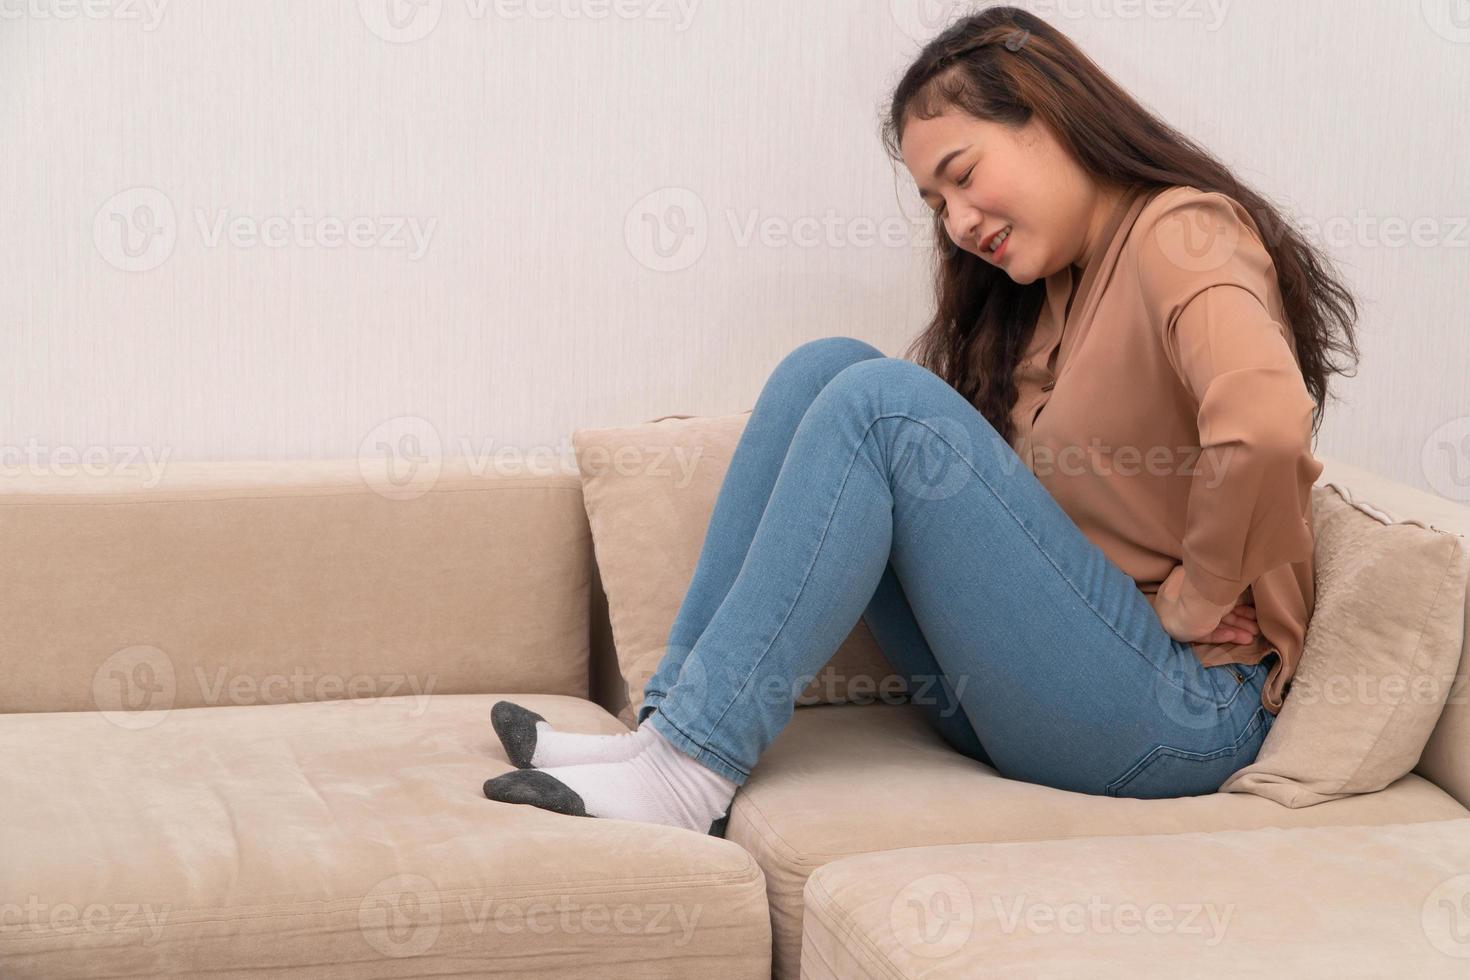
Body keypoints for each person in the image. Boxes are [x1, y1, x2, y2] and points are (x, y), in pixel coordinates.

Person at [483, 6, 1359, 834]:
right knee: (825, 369)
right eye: (939, 205)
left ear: (1050, 117)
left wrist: (1197, 594)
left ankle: (689, 773)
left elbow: (1269, 419)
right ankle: (666, 730)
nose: (962, 222)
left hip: (1180, 714)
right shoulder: (1050, 293)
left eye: (965, 176)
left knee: (880, 405)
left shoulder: (1182, 231)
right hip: (1040, 695)